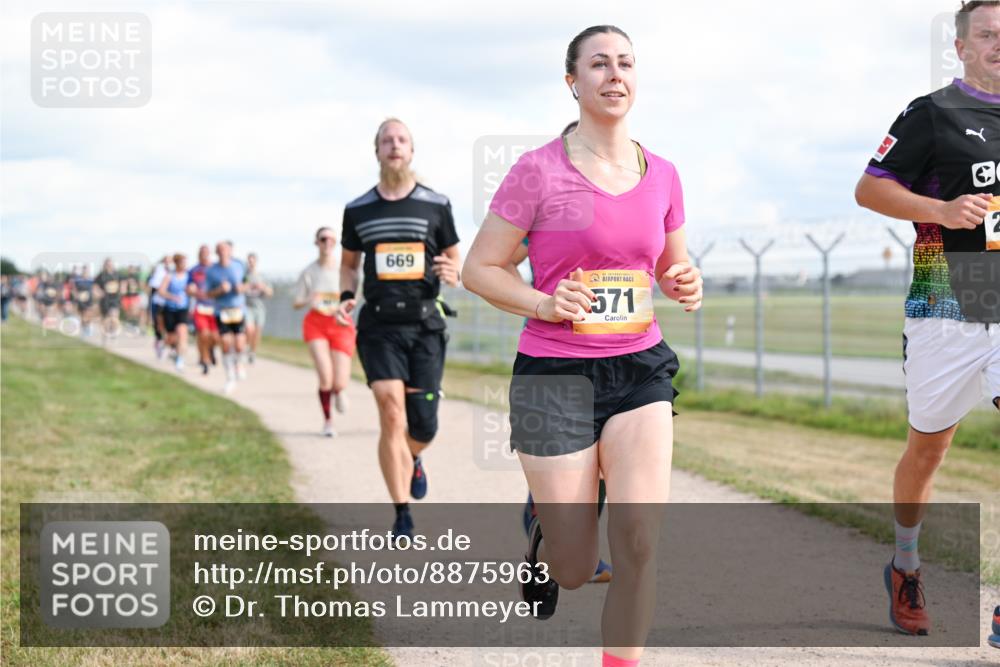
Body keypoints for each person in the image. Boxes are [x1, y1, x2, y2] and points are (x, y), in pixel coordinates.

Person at [463, 25, 702, 666]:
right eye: (598, 64)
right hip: (552, 373)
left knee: (638, 542)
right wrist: (542, 301)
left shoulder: (665, 174)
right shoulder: (536, 171)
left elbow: (670, 266)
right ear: (573, 82)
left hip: (639, 368)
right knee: (573, 568)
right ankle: (545, 536)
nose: (614, 74)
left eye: (625, 63)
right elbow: (479, 268)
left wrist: (684, 279)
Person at [854, 0, 1000, 640]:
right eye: (989, 35)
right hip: (948, 300)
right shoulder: (931, 112)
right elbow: (871, 186)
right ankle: (905, 564)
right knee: (927, 449)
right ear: (962, 47)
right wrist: (939, 210)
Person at [338, 117, 462, 540]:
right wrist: (346, 296)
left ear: (412, 150)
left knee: (423, 424)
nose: (394, 145)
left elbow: (455, 258)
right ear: (377, 151)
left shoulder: (436, 204)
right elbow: (349, 265)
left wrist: (453, 269)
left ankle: (415, 456)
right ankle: (402, 512)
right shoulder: (358, 209)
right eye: (387, 140)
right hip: (379, 324)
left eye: (402, 139)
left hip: (425, 322)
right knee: (390, 411)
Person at [294, 228, 356, 437]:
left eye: (331, 239)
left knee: (339, 381)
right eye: (323, 239)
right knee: (325, 378)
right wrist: (309, 300)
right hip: (316, 323)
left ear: (335, 243)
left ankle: (339, 391)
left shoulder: (344, 270)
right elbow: (296, 302)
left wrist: (346, 306)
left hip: (340, 323)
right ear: (317, 242)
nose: (327, 243)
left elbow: (355, 296)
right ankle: (328, 422)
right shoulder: (309, 272)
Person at [205, 241, 248, 394]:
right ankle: (230, 376)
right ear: (216, 252)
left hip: (238, 309)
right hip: (221, 311)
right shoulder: (211, 271)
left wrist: (240, 288)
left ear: (230, 251)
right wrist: (220, 290)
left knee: (239, 344)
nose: (223, 252)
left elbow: (247, 284)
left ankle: (240, 364)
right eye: (220, 250)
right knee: (225, 343)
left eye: (225, 249)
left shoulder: (239, 265)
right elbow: (208, 294)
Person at [157, 253, 193, 373]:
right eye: (182, 262)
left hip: (183, 309)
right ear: (176, 263)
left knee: (182, 334)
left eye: (185, 262)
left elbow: (193, 289)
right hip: (170, 310)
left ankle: (180, 360)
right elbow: (161, 291)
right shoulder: (169, 276)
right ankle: (166, 345)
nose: (184, 265)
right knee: (172, 338)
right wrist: (172, 297)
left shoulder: (189, 276)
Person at [189, 245, 220, 375]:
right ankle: (205, 360)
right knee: (203, 334)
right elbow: (188, 287)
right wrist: (191, 290)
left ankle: (211, 349)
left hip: (214, 308)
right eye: (202, 253)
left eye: (206, 253)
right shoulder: (194, 270)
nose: (204, 255)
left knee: (215, 337)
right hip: (200, 307)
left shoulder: (216, 270)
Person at [243, 252, 273, 364]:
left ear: (256, 262)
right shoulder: (244, 276)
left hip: (259, 308)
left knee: (257, 332)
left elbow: (270, 293)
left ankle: (252, 352)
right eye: (249, 261)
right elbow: (239, 288)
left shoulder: (262, 276)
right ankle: (246, 346)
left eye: (252, 261)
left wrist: (262, 287)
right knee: (249, 329)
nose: (251, 263)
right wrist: (247, 286)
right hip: (247, 307)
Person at [147, 256, 171, 359]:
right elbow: (153, 287)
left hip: (170, 303)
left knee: (168, 326)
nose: (169, 263)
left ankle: (169, 346)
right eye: (167, 261)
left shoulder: (174, 272)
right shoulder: (159, 271)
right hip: (159, 302)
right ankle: (159, 343)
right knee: (159, 325)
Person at [94, 258, 123, 342]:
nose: (109, 266)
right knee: (105, 318)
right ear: (104, 265)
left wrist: (122, 289)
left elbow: (123, 282)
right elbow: (95, 286)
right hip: (105, 300)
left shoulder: (117, 274)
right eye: (107, 264)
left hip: (115, 299)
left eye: (110, 264)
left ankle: (113, 333)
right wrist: (99, 292)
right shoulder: (101, 275)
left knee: (114, 315)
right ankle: (105, 335)